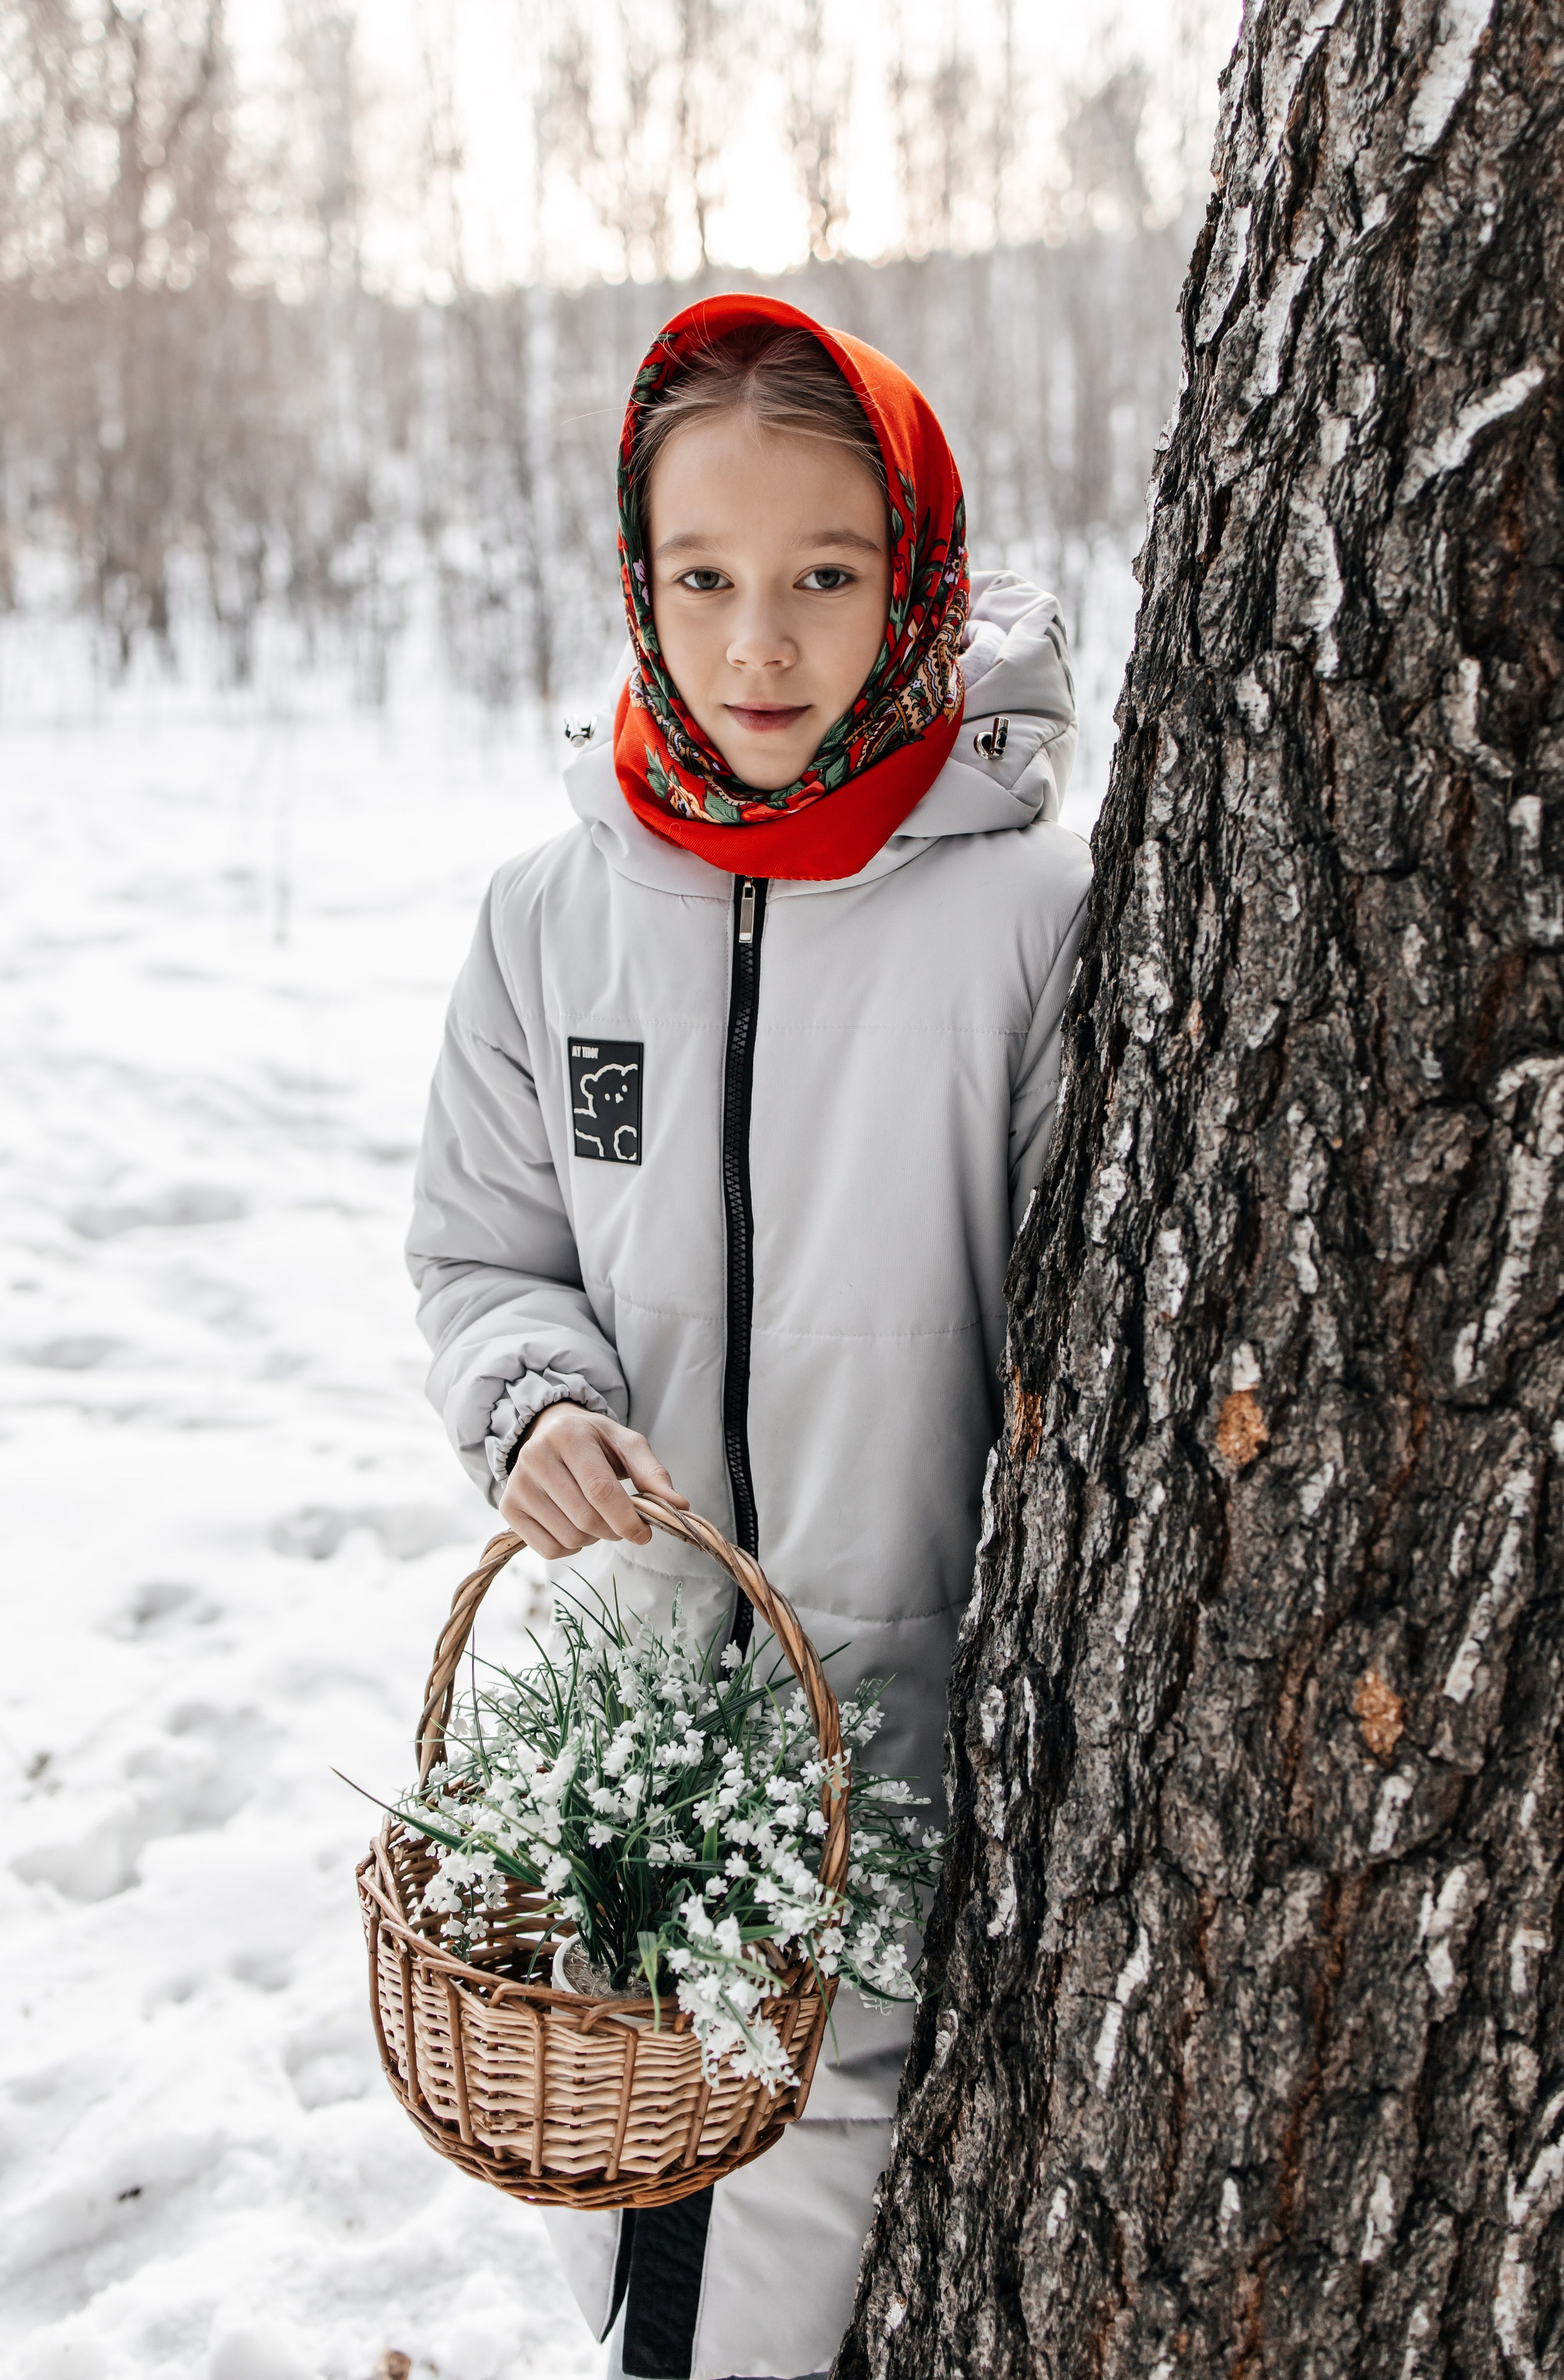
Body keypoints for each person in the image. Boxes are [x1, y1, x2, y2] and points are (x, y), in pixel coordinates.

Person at [406, 291, 1092, 2380]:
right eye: (702, 580)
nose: (760, 647)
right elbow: (483, 1253)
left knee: (820, 2186)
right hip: (631, 1679)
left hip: (897, 1682)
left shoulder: (1024, 917)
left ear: (919, 578)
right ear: (638, 576)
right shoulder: (555, 916)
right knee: (633, 2172)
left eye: (824, 577)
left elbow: (1087, 1325)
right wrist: (528, 1402)